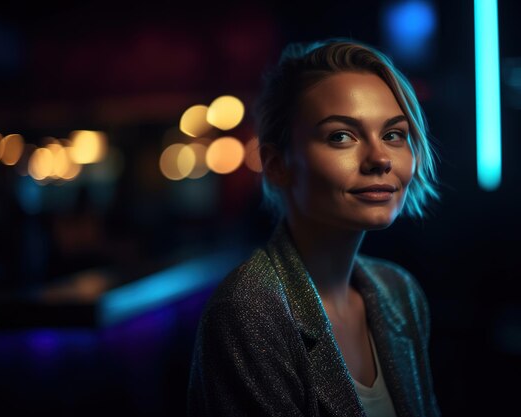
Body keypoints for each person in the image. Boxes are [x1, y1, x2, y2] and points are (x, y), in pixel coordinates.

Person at [187, 39, 441, 417]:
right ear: (276, 165)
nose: (380, 158)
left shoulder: (399, 292)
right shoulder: (248, 310)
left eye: (393, 134)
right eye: (341, 136)